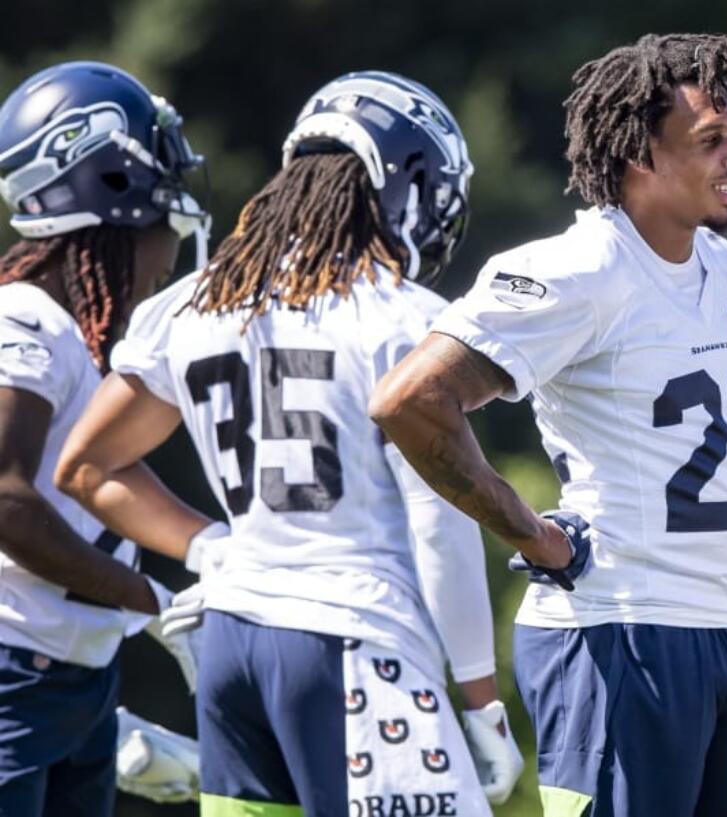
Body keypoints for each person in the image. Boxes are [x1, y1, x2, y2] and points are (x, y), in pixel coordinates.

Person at [370, 28, 727, 817]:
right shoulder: (581, 270)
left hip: (721, 627)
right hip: (617, 634)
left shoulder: (725, 268)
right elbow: (410, 400)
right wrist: (533, 534)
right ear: (640, 156)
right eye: (711, 141)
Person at [55, 71, 522, 817]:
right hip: (354, 638)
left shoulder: (195, 302)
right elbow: (443, 523)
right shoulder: (402, 319)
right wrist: (480, 699)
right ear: (402, 181)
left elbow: (85, 466)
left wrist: (211, 546)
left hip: (234, 646)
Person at [0, 60, 206, 816]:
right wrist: (152, 600)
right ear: (110, 200)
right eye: (163, 221)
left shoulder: (78, 340)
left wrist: (103, 717)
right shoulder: (22, 319)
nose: (169, 254)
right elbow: (7, 500)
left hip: (70, 680)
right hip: (17, 674)